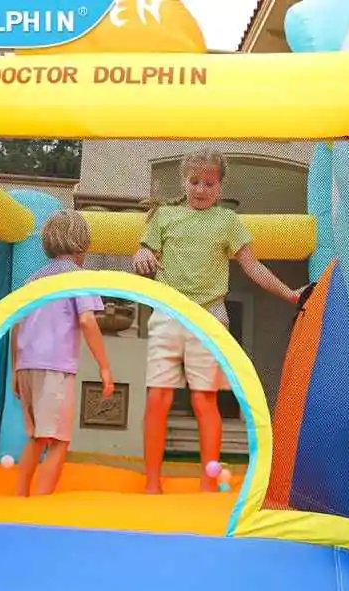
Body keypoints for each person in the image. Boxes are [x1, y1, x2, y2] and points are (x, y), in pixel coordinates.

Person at [133, 149, 305, 494]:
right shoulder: (164, 216)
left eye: (209, 184)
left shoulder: (227, 221)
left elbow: (252, 266)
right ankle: (152, 482)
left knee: (204, 399)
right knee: (158, 397)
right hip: (169, 311)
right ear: (184, 181)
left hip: (210, 314)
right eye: (194, 181)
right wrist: (142, 252)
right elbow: (144, 252)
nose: (201, 189)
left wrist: (289, 294)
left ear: (220, 185)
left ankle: (207, 484)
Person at [11, 209, 114, 497]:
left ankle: (20, 496)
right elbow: (87, 321)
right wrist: (104, 367)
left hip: (27, 364)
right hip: (55, 367)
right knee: (58, 441)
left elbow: (17, 326)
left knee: (37, 437)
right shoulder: (78, 278)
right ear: (82, 245)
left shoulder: (34, 280)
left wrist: (16, 370)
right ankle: (40, 502)